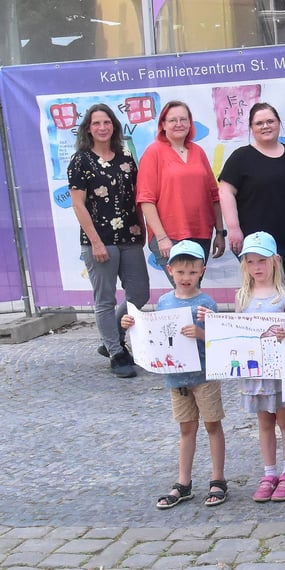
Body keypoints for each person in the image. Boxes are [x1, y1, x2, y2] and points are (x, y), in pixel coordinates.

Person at [121, 240, 227, 508]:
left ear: (201, 271)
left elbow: (221, 341)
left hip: (204, 375)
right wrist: (131, 325)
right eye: (181, 272)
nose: (186, 277)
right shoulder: (165, 302)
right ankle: (184, 481)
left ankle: (218, 478)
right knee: (186, 429)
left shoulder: (206, 303)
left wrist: (201, 332)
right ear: (170, 271)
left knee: (213, 425)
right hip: (176, 378)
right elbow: (154, 334)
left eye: (192, 272)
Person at [67, 104, 150, 378]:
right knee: (104, 298)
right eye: (96, 123)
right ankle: (116, 352)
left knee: (139, 294)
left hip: (130, 235)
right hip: (99, 240)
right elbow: (79, 206)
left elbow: (135, 195)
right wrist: (96, 242)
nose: (102, 127)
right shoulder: (80, 161)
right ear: (88, 128)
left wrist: (143, 226)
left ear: (114, 126)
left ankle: (110, 336)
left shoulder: (126, 157)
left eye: (106, 122)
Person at [230, 232, 285, 504]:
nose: (256, 267)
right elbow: (237, 334)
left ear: (275, 261)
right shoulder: (242, 297)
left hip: (280, 371)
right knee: (264, 422)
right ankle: (269, 473)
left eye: (261, 260)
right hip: (256, 371)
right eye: (250, 262)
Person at [219, 102, 285, 292]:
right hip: (257, 246)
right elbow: (225, 191)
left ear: (279, 123)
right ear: (251, 128)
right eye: (259, 123)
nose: (266, 126)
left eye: (270, 121)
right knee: (261, 295)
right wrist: (233, 228)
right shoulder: (241, 157)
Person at [137, 100, 225, 279]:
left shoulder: (198, 151)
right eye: (172, 120)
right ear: (163, 124)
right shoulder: (153, 152)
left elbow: (213, 195)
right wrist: (162, 238)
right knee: (184, 292)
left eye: (183, 119)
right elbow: (146, 200)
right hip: (170, 237)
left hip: (201, 233)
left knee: (194, 290)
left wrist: (220, 232)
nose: (179, 124)